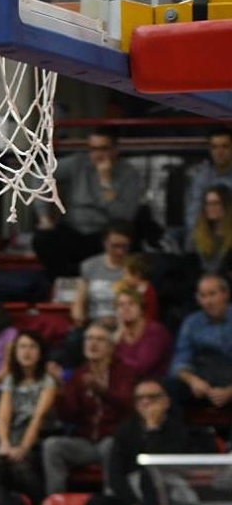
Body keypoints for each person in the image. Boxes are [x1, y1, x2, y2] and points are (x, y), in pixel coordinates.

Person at [82, 381, 212, 505]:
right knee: (95, 504)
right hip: (134, 498)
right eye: (140, 398)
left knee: (150, 475)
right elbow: (115, 473)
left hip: (169, 497)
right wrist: (133, 503)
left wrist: (152, 429)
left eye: (152, 397)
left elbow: (160, 466)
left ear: (166, 401)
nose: (145, 402)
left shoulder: (179, 429)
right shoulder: (125, 430)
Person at [33, 127, 146, 281]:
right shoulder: (78, 163)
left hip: (105, 233)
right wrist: (44, 216)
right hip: (74, 229)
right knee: (43, 239)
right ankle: (66, 284)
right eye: (93, 149)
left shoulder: (129, 173)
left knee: (130, 243)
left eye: (103, 149)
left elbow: (124, 217)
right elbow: (41, 174)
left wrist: (105, 183)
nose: (97, 154)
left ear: (115, 150)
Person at [42, 320, 135, 495]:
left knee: (110, 445)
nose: (93, 343)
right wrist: (60, 388)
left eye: (99, 339)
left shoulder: (124, 372)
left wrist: (102, 391)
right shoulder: (79, 374)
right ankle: (55, 501)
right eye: (89, 339)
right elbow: (68, 415)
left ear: (111, 347)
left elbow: (128, 405)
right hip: (86, 443)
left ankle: (111, 498)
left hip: (114, 441)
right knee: (51, 445)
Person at [0, 330, 57, 500]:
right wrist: (4, 443)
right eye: (22, 347)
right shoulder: (10, 379)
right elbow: (2, 417)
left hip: (40, 433)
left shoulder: (47, 381)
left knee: (20, 464)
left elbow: (37, 418)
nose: (27, 352)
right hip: (15, 431)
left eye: (32, 347)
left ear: (40, 352)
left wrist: (23, 448)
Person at [168, 274, 232, 409]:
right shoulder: (192, 323)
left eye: (212, 294)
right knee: (170, 386)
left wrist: (229, 391)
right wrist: (193, 381)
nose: (208, 301)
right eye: (203, 296)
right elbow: (179, 361)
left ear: (225, 294)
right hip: (203, 380)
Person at [73, 222, 133, 328]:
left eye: (124, 246)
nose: (120, 251)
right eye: (115, 246)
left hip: (124, 324)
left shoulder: (134, 267)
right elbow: (79, 301)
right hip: (94, 323)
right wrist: (79, 319)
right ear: (105, 243)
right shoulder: (90, 265)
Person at [114, 285, 172, 381]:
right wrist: (115, 341)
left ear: (141, 308)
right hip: (124, 382)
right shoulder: (117, 335)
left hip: (153, 384)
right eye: (121, 305)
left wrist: (112, 354)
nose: (126, 308)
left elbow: (141, 368)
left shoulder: (155, 332)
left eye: (131, 303)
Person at [184, 127, 232, 239]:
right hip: (206, 239)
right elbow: (193, 213)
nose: (219, 152)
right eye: (214, 147)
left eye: (225, 146)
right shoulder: (201, 178)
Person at [188, 184, 232, 275]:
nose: (210, 207)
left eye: (216, 203)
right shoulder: (196, 235)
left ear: (226, 205)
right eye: (207, 204)